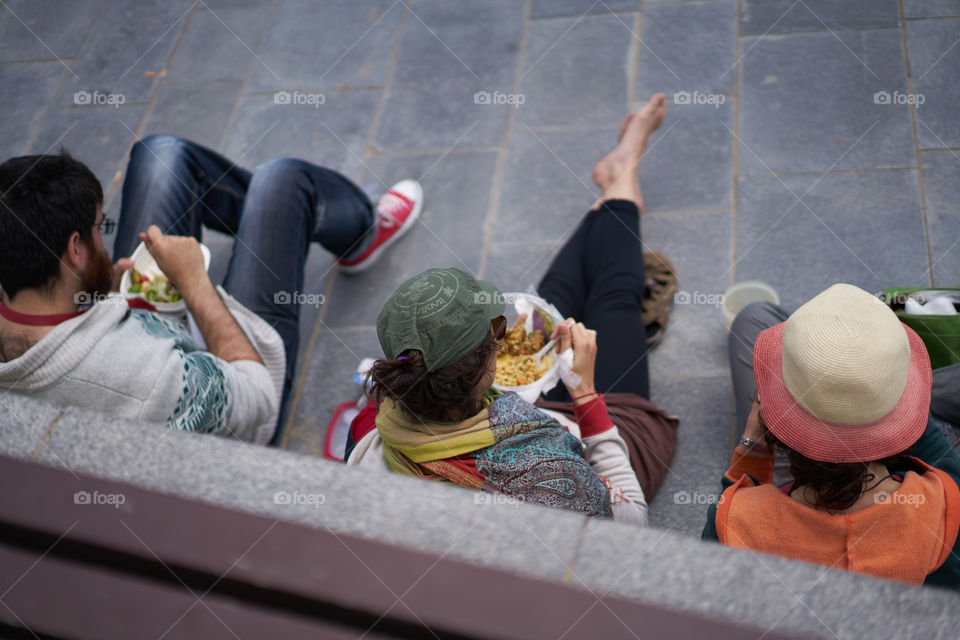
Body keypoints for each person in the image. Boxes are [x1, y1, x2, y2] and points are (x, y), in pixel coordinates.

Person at [345, 95, 679, 525]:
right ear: (489, 369)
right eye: (497, 333)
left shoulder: (371, 427)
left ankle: (619, 184)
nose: (504, 335)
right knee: (614, 300)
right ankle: (621, 176)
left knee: (551, 300)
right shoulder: (545, 471)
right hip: (593, 434)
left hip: (526, 410)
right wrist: (585, 394)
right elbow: (629, 519)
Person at [0, 136, 421, 445]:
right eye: (98, 228)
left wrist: (95, 295)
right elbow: (258, 397)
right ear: (75, 250)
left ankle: (276, 223)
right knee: (284, 180)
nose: (103, 239)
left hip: (148, 334)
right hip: (240, 393)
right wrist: (195, 282)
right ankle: (359, 233)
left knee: (160, 154)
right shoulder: (145, 381)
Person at [703, 284, 960, 589]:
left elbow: (724, 520)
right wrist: (896, 400)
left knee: (752, 315)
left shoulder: (734, 522)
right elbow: (948, 469)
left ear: (773, 424)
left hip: (793, 487)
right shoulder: (942, 506)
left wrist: (751, 448)